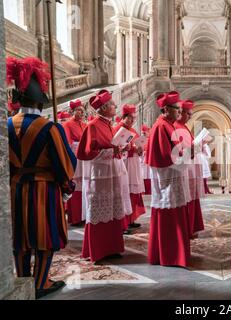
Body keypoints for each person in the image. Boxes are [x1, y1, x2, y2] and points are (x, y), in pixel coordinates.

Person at [6, 56, 77, 298]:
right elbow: (65, 163)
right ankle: (40, 283)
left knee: (20, 239)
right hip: (43, 190)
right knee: (45, 236)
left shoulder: (5, 124)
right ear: (40, 102)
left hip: (15, 189)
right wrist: (68, 185)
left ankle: (23, 279)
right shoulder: (49, 128)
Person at [77, 90, 132, 263]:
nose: (116, 106)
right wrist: (111, 150)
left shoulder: (108, 124)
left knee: (113, 209)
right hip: (100, 174)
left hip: (112, 172)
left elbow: (111, 146)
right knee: (99, 211)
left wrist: (122, 148)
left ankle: (112, 247)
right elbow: (87, 152)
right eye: (113, 105)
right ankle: (98, 250)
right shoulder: (93, 125)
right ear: (105, 107)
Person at [145, 91, 192, 267]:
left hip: (171, 176)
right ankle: (172, 256)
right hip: (167, 179)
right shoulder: (161, 127)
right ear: (165, 109)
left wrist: (186, 152)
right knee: (170, 215)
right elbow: (166, 158)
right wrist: (188, 153)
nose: (179, 113)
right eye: (176, 109)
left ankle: (174, 255)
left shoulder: (168, 125)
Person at [174, 100, 205, 239]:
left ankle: (192, 226)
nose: (190, 116)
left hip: (191, 167)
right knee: (187, 199)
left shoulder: (184, 127)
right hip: (185, 169)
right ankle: (187, 228)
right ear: (180, 113)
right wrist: (191, 149)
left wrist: (196, 145)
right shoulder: (175, 127)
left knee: (192, 199)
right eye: (189, 114)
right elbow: (177, 153)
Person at [114, 104, 146, 233]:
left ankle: (131, 218)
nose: (133, 121)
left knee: (133, 193)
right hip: (124, 163)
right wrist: (127, 148)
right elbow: (115, 148)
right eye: (130, 118)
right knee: (124, 192)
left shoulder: (133, 131)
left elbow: (137, 145)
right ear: (124, 117)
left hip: (134, 163)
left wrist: (140, 149)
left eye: (134, 118)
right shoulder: (117, 129)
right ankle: (123, 222)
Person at [63, 99, 87, 226]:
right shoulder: (67, 124)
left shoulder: (84, 124)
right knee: (76, 187)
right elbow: (67, 143)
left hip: (84, 160)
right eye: (78, 110)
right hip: (75, 160)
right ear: (72, 111)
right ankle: (76, 217)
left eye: (82, 110)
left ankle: (84, 215)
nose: (81, 112)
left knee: (84, 187)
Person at [140, 124, 152, 195]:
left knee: (149, 177)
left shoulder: (151, 139)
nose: (143, 134)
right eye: (142, 133)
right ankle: (144, 192)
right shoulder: (140, 140)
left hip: (149, 161)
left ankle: (149, 192)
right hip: (142, 161)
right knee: (143, 176)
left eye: (144, 133)